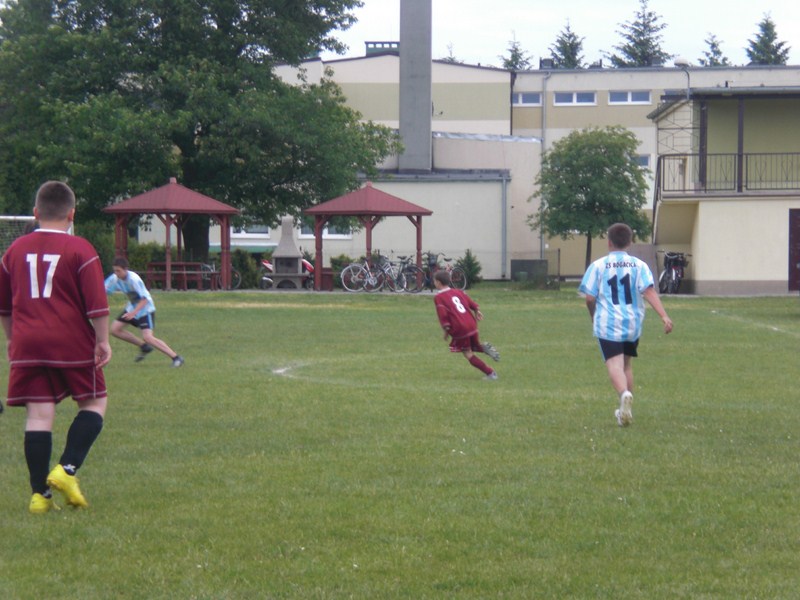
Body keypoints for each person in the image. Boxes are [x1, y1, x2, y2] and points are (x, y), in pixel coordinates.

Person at [0, 181, 112, 513]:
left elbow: (4, 307)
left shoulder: (13, 251)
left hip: (28, 342)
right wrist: (103, 340)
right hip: (70, 341)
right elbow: (97, 305)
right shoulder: (80, 249)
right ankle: (66, 469)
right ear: (72, 214)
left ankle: (39, 496)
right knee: (95, 402)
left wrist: (11, 339)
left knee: (38, 415)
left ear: (35, 213)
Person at [579, 223, 673, 427]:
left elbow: (589, 298)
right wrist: (664, 316)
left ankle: (624, 394)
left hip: (608, 322)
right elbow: (648, 291)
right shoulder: (639, 266)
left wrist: (594, 315)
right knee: (627, 364)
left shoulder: (598, 266)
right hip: (632, 322)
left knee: (614, 364)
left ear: (609, 242)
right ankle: (624, 411)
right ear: (630, 242)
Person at [104, 257, 184, 367]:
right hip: (131, 308)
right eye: (115, 270)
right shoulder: (115, 278)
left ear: (126, 269)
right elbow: (102, 290)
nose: (116, 273)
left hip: (145, 309)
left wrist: (133, 313)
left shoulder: (134, 279)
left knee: (148, 337)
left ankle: (176, 357)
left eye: (119, 271)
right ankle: (144, 346)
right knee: (114, 329)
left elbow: (145, 299)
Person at [433, 270, 500, 380]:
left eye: (434, 281)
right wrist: (477, 310)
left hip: (460, 327)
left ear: (438, 282)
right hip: (471, 323)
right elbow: (469, 302)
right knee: (472, 346)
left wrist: (446, 330)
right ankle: (482, 348)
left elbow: (443, 314)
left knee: (467, 352)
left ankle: (491, 373)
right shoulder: (458, 291)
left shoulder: (439, 297)